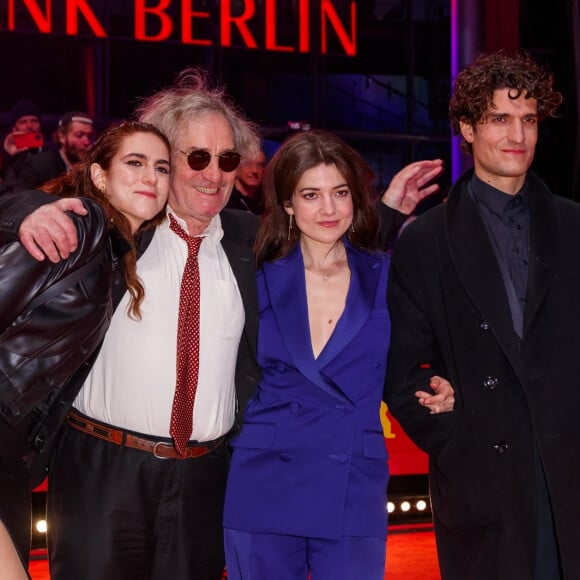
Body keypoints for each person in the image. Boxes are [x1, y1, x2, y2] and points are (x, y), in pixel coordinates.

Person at [4, 68, 446, 580]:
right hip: (102, 472)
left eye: (227, 159)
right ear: (165, 161)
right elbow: (36, 201)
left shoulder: (251, 242)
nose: (213, 173)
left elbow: (327, 245)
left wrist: (386, 212)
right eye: (196, 157)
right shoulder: (119, 227)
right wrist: (26, 215)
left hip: (206, 478)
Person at [383, 50, 580, 579]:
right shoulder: (425, 241)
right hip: (484, 481)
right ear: (468, 129)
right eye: (500, 118)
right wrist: (460, 443)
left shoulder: (573, 225)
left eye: (529, 119)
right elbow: (402, 373)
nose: (518, 134)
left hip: (569, 471)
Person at [222, 129, 454, 580]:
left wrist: (442, 383)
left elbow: (423, 352)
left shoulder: (389, 275)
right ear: (288, 203)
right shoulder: (253, 275)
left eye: (340, 193)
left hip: (353, 482)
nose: (328, 209)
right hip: (264, 480)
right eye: (311, 194)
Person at [0, 120, 170, 579]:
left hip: (11, 461)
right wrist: (27, 209)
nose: (150, 177)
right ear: (98, 176)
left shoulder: (117, 256)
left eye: (161, 167)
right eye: (134, 163)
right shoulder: (82, 229)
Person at [18, 111, 94, 190]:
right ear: (62, 137)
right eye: (79, 135)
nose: (87, 142)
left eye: (90, 136)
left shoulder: (92, 168)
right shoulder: (38, 165)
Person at [225, 147, 266, 213]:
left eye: (260, 165)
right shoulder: (225, 200)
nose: (254, 170)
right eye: (248, 164)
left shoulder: (268, 200)